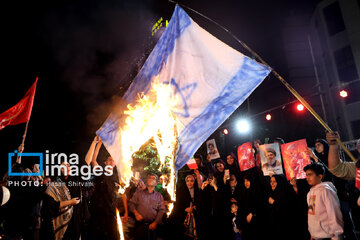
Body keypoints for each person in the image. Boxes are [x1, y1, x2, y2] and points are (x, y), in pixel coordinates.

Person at [90, 138, 124, 240]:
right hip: (98, 211)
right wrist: (99, 143)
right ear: (105, 162)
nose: (111, 161)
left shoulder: (117, 177)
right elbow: (93, 160)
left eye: (113, 160)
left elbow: (120, 194)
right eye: (109, 159)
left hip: (110, 212)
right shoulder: (100, 172)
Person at [304, 163, 344, 240]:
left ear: (320, 176)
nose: (307, 177)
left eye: (310, 175)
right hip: (316, 236)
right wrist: (312, 234)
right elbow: (312, 215)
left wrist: (337, 235)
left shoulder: (326, 190)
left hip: (327, 236)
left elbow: (334, 214)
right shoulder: (309, 193)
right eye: (306, 175)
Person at [129, 173, 166, 240]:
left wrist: (155, 222)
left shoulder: (159, 196)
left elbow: (162, 210)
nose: (151, 179)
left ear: (156, 183)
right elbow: (131, 204)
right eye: (149, 178)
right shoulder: (139, 193)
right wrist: (136, 213)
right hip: (140, 225)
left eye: (153, 178)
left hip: (152, 226)